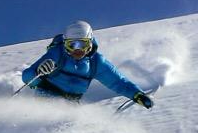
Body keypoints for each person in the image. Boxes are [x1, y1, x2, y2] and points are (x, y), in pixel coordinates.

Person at [22, 20, 153, 108]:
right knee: (55, 121)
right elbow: (27, 78)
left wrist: (137, 94)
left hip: (72, 103)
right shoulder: (57, 54)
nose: (77, 50)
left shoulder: (96, 62)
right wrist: (38, 72)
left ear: (90, 43)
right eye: (72, 45)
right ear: (66, 43)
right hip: (46, 96)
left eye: (82, 44)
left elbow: (118, 82)